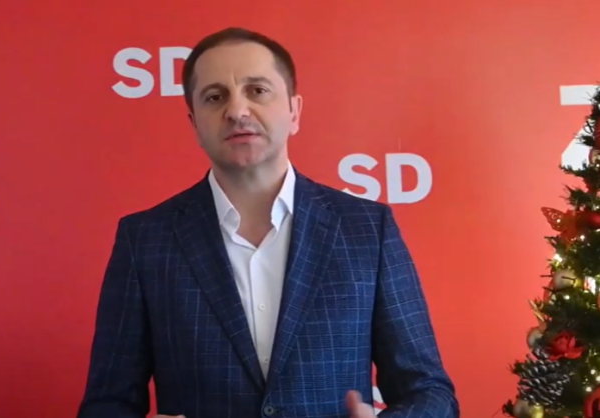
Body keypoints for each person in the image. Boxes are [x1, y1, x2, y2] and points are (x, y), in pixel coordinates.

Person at [76, 27, 459, 418]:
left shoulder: (367, 230)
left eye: (257, 90)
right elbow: (106, 403)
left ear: (294, 112)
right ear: (194, 124)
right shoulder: (145, 241)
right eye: (215, 97)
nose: (237, 111)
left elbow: (430, 393)